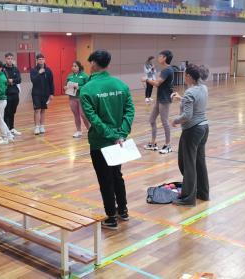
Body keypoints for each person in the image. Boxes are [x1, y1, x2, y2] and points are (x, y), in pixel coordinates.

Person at [80, 50, 135, 230]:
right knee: (117, 175)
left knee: (105, 180)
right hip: (118, 142)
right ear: (108, 65)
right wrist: (121, 134)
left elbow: (93, 120)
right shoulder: (121, 85)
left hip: (99, 143)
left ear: (94, 64)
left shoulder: (87, 89)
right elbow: (130, 111)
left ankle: (111, 217)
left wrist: (111, 135)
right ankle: (123, 211)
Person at [170, 64, 210, 207]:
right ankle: (203, 193)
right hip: (204, 128)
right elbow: (195, 103)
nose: (184, 77)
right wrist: (182, 99)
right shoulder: (203, 88)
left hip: (192, 131)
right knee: (200, 162)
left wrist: (175, 120)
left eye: (185, 75)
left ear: (189, 77)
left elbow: (187, 115)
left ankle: (188, 198)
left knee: (188, 165)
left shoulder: (190, 92)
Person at [142, 50, 175, 155]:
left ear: (165, 58)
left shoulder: (167, 70)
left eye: (160, 56)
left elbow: (156, 83)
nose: (158, 58)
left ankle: (168, 145)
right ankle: (153, 143)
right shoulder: (165, 69)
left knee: (164, 122)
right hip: (159, 99)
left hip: (165, 100)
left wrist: (146, 80)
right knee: (152, 120)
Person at [64, 61, 90, 138]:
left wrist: (80, 87)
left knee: (83, 115)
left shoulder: (85, 76)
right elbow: (65, 86)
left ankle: (90, 130)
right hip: (72, 98)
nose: (74, 67)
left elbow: (88, 87)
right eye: (73, 66)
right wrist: (65, 88)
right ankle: (79, 131)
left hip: (81, 98)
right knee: (76, 115)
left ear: (79, 67)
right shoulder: (70, 76)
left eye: (75, 66)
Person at [30, 53, 54, 135]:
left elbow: (51, 82)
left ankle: (42, 126)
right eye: (39, 59)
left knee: (43, 110)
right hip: (36, 93)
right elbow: (33, 80)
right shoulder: (33, 70)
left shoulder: (48, 70)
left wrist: (51, 93)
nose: (41, 60)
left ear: (44, 60)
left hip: (45, 93)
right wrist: (39, 73)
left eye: (42, 59)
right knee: (37, 110)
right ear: (36, 61)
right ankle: (36, 127)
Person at [0, 60, 14, 145]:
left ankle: (5, 138)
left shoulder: (1, 77)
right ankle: (9, 136)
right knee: (1, 120)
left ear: (1, 68)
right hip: (0, 101)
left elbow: (1, 91)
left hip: (0, 101)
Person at [2, 53, 22, 136]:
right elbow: (1, 80)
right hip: (6, 94)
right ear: (5, 59)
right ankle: (6, 130)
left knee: (12, 112)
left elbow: (19, 79)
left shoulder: (15, 69)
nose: (10, 60)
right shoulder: (2, 69)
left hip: (15, 94)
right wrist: (7, 81)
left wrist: (12, 80)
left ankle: (12, 128)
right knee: (7, 112)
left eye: (11, 58)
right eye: (8, 58)